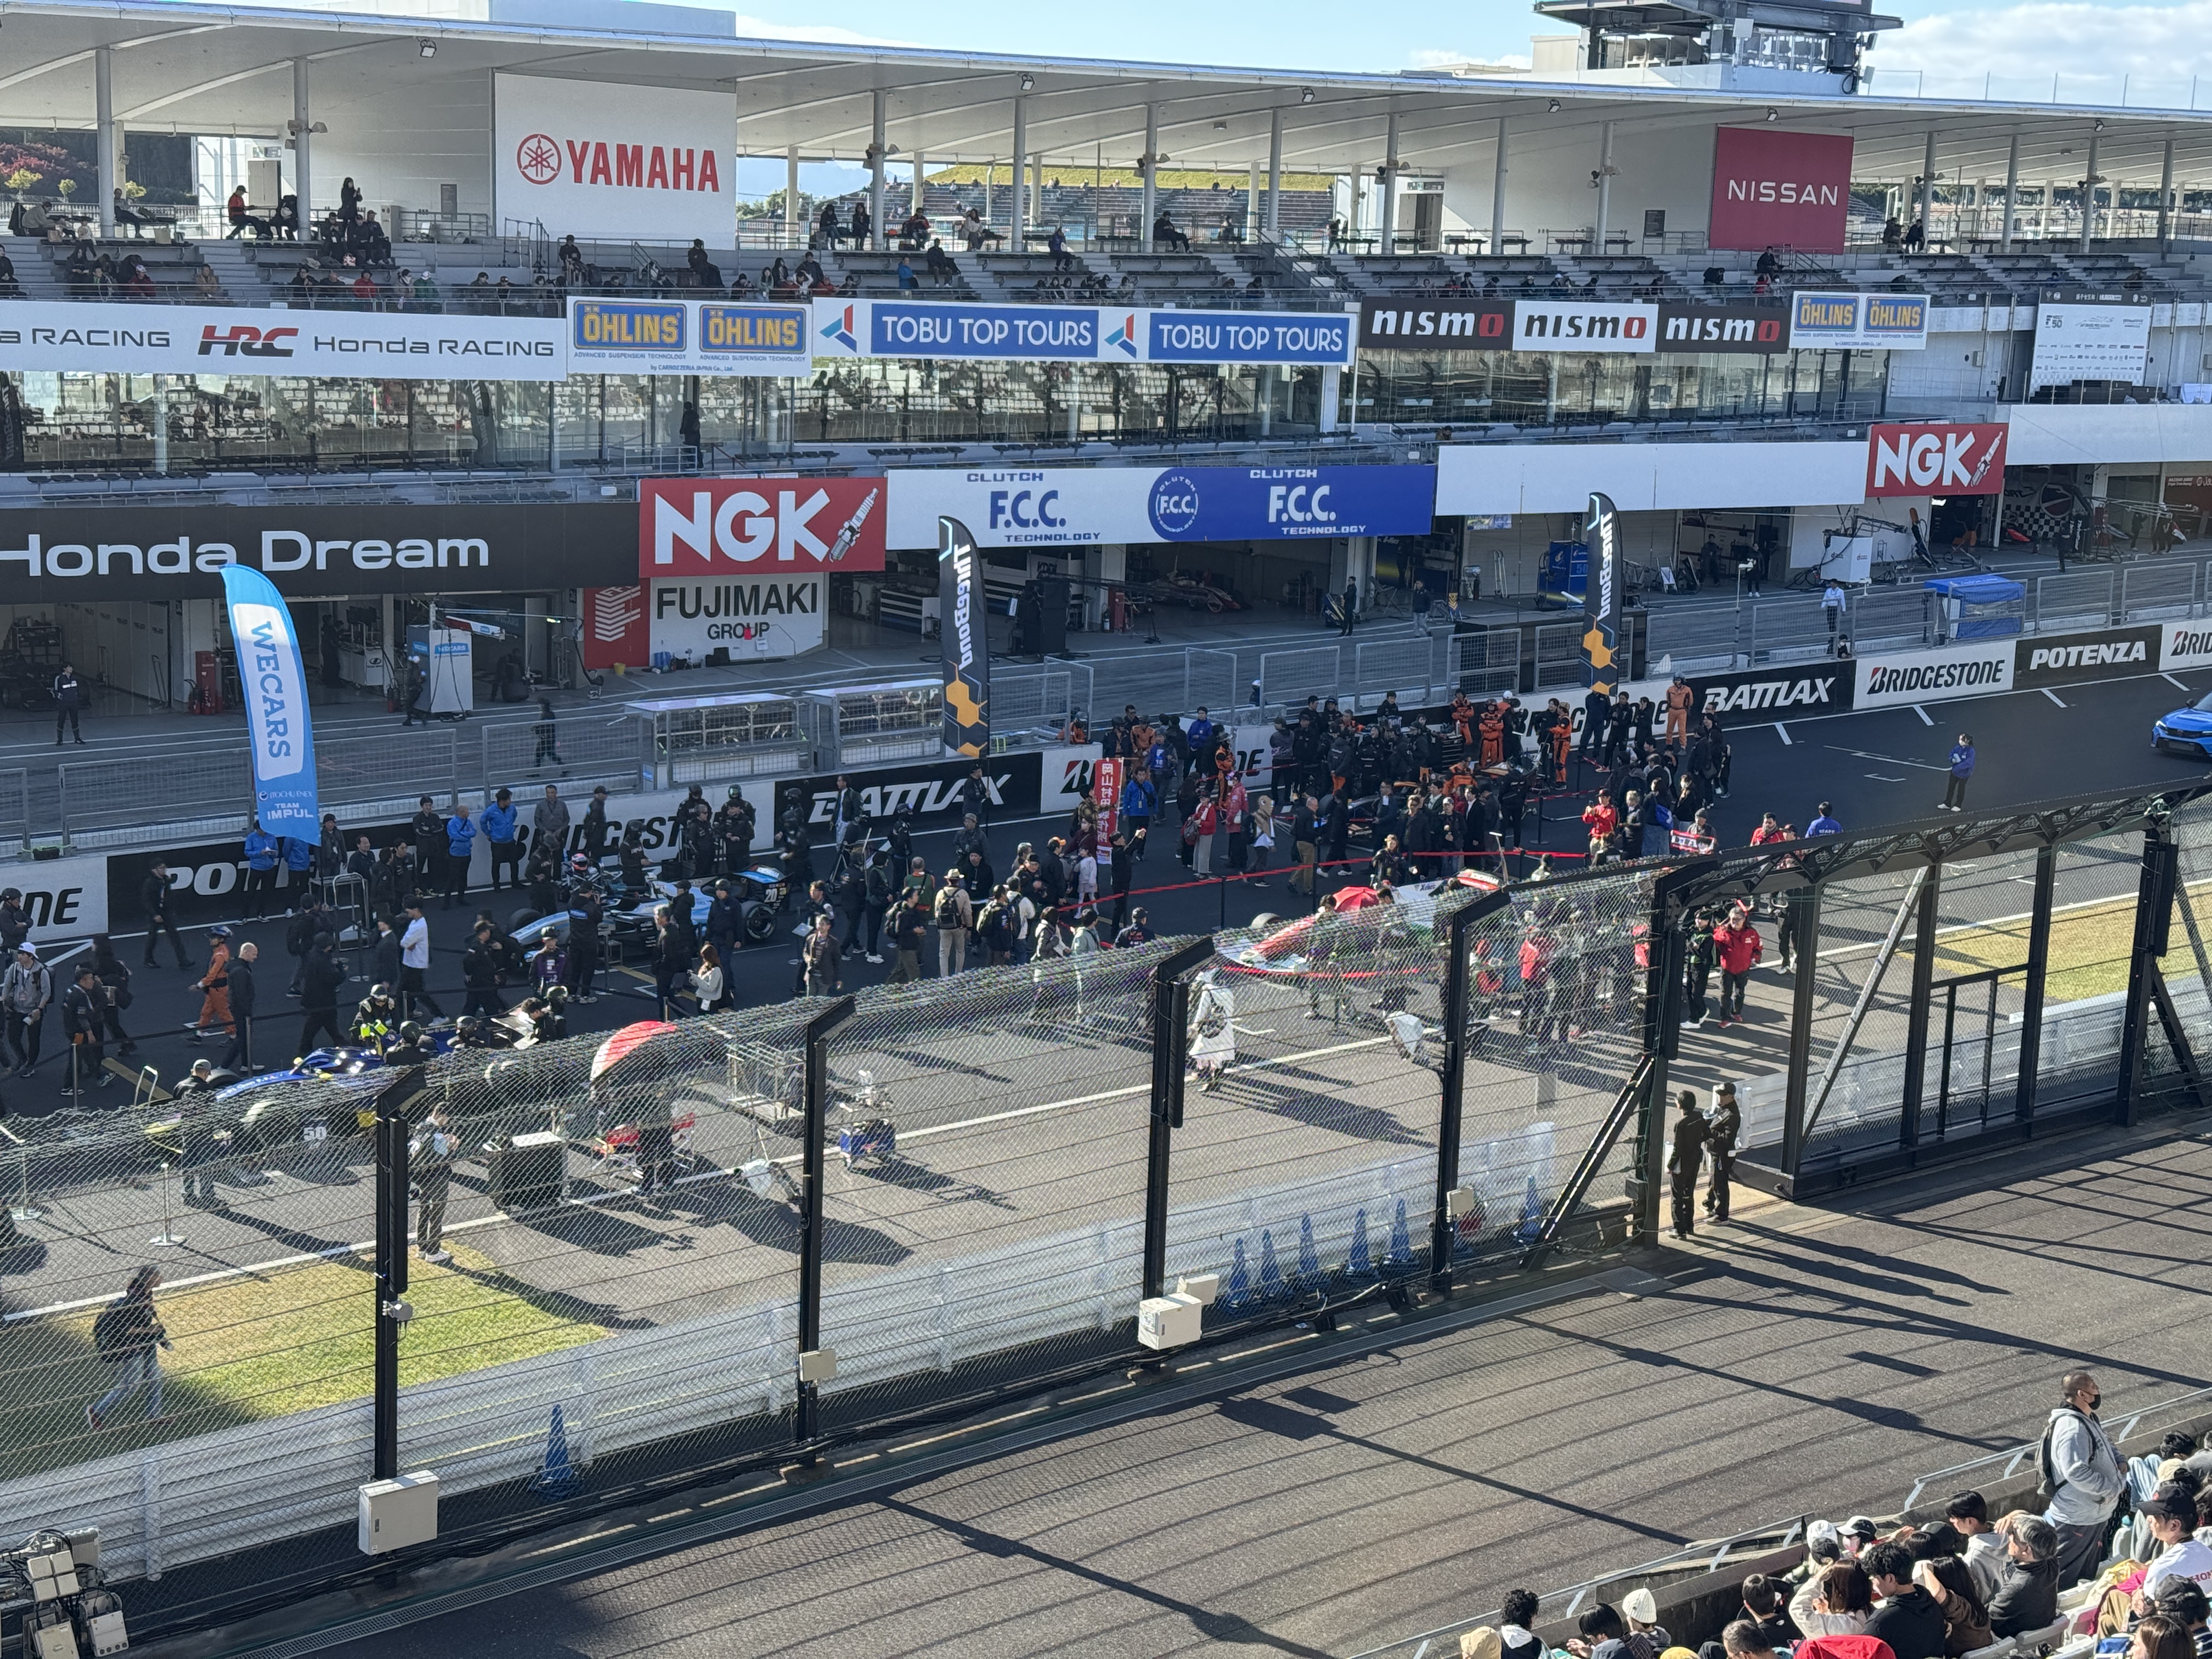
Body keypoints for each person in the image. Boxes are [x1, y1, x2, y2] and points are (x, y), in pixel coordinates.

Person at [2041, 1370, 2125, 1589]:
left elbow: (2103, 1443)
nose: (2098, 1391)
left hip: (2092, 1514)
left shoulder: (2087, 1419)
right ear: (2082, 1394)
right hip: (2077, 1517)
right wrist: (2110, 1489)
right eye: (2094, 1387)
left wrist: (2119, 1459)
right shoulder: (2072, 1428)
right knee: (2065, 1578)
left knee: (2086, 1575)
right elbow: (2075, 1471)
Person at [87, 1267, 172, 1429]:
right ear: (149, 1279)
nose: (162, 1277)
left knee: (155, 1380)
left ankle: (153, 1416)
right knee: (130, 1385)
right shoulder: (134, 1300)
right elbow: (125, 1329)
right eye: (158, 1275)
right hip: (132, 1348)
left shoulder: (145, 1294)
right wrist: (150, 1330)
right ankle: (97, 1410)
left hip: (146, 1345)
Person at [1863, 1540, 1948, 1659]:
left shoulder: (1881, 1622)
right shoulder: (1931, 1601)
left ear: (1890, 1578)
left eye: (1873, 1578)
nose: (1873, 1585)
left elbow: (1864, 1653)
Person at [411, 1106, 456, 1263]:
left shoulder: (421, 1126)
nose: (447, 1122)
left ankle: (422, 1247)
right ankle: (434, 1251)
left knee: (424, 1210)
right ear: (442, 1116)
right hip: (437, 1177)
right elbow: (443, 1157)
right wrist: (452, 1144)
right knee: (436, 1213)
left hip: (421, 1175)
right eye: (447, 1119)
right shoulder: (436, 1135)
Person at [2, 944, 52, 1079]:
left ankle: (30, 1065)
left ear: (30, 956)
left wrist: (39, 1009)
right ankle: (23, 1059)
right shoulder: (14, 968)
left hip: (33, 1011)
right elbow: (7, 986)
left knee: (33, 1040)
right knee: (13, 1037)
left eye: (23, 954)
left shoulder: (41, 972)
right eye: (19, 953)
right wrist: (4, 1001)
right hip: (17, 1009)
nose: (19, 956)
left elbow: (47, 993)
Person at [1791, 1561, 1875, 1638]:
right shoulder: (1870, 1613)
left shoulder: (1846, 1625)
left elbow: (1797, 1610)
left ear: (1840, 1593)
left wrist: (1816, 1581)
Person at [1667, 1090, 1707, 1240]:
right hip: (1695, 1159)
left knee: (1676, 1196)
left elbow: (1677, 1149)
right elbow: (1706, 1134)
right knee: (1689, 1192)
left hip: (1682, 1162)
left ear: (1680, 1105)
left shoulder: (1680, 1124)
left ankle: (1679, 1229)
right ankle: (1689, 1224)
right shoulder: (1699, 1117)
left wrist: (1670, 1165)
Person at [1713, 906, 1763, 1026]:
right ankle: (1725, 1018)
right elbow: (1713, 945)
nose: (1735, 922)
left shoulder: (1752, 933)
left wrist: (1755, 958)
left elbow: (1758, 947)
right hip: (1727, 969)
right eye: (1733, 919)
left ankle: (1737, 1013)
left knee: (1740, 992)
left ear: (1744, 919)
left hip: (1743, 968)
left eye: (1738, 919)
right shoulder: (1723, 932)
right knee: (1725, 993)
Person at [298, 934, 348, 1055]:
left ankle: (305, 1047)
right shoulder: (323, 961)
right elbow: (332, 978)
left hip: (313, 996)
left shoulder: (312, 956)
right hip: (325, 998)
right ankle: (341, 1044)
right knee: (325, 1022)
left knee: (318, 1022)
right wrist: (342, 971)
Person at [399, 899, 443, 1019]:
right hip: (413, 963)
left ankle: (439, 1015)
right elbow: (407, 942)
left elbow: (404, 942)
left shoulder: (418, 926)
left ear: (415, 909)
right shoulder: (416, 922)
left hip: (415, 964)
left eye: (408, 909)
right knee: (411, 990)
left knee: (411, 991)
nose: (406, 912)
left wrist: (407, 943)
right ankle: (408, 1012)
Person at [220, 941, 259, 1073]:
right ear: (245, 952)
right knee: (243, 1037)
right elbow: (241, 993)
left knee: (244, 1037)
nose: (256, 957)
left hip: (238, 1008)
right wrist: (247, 1011)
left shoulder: (237, 967)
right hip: (242, 1010)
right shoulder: (241, 971)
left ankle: (246, 1064)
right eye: (254, 954)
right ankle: (225, 1066)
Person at [1704, 1081, 1740, 1223]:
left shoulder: (1732, 1115)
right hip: (1716, 1152)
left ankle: (1722, 1215)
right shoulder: (1723, 1109)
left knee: (1720, 1183)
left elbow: (1727, 1139)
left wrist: (1710, 1132)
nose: (1721, 1097)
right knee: (1714, 1179)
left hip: (1722, 1154)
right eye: (1720, 1094)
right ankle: (1709, 1205)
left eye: (1724, 1095)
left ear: (1731, 1096)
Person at [482, 788, 521, 892]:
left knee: (514, 862)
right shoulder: (491, 811)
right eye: (509, 799)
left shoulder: (512, 808)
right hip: (497, 842)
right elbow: (483, 821)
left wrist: (510, 828)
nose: (510, 802)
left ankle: (515, 882)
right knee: (496, 864)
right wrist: (488, 833)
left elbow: (514, 816)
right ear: (502, 801)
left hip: (510, 840)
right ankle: (496, 884)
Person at [1944, 735, 1975, 812]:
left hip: (1964, 774)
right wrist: (1952, 759)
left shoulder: (1971, 751)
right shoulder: (1957, 748)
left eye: (1962, 740)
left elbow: (1969, 764)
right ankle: (1947, 803)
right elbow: (1951, 754)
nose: (1960, 741)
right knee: (1951, 788)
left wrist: (1957, 768)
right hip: (1955, 773)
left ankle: (1958, 805)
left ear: (1967, 741)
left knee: (1961, 789)